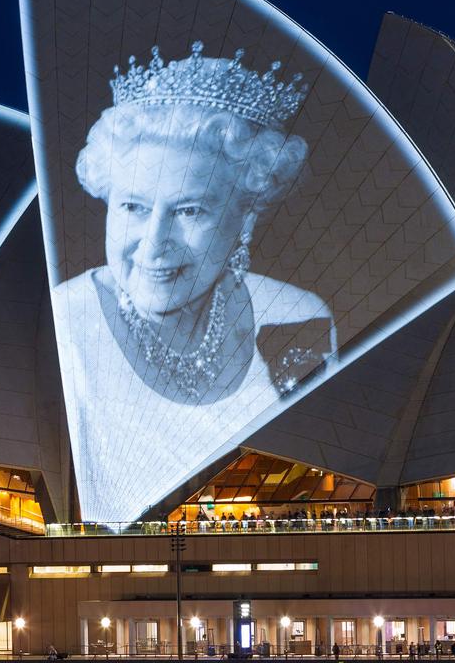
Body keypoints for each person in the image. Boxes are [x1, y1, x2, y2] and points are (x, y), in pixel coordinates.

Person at [52, 41, 336, 521]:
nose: (154, 242)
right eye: (133, 207)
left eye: (188, 210)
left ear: (245, 216)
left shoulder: (299, 316)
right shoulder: (66, 325)